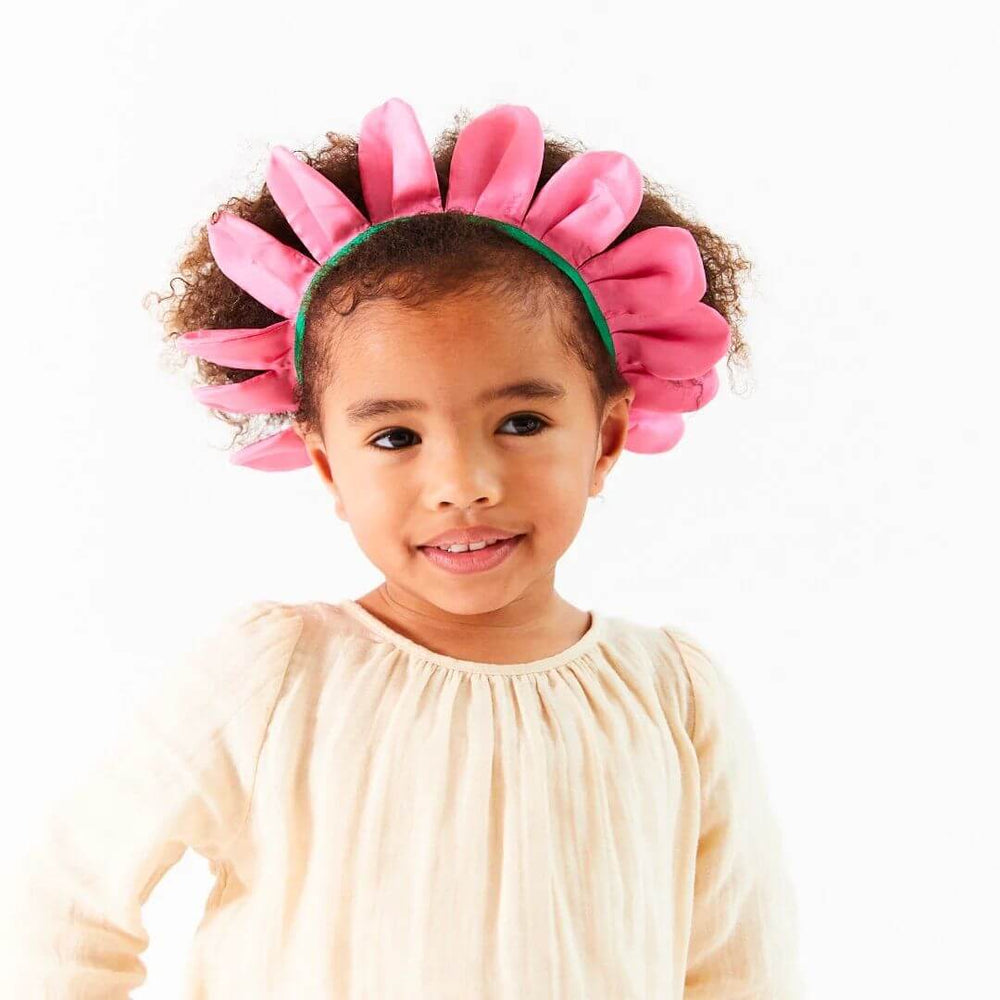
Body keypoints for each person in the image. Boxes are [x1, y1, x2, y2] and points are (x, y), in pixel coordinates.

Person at [3, 97, 805, 998]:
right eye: (395, 438)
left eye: (522, 420)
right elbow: (67, 902)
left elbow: (738, 965)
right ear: (326, 464)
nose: (464, 482)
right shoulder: (275, 677)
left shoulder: (673, 699)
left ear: (608, 438)